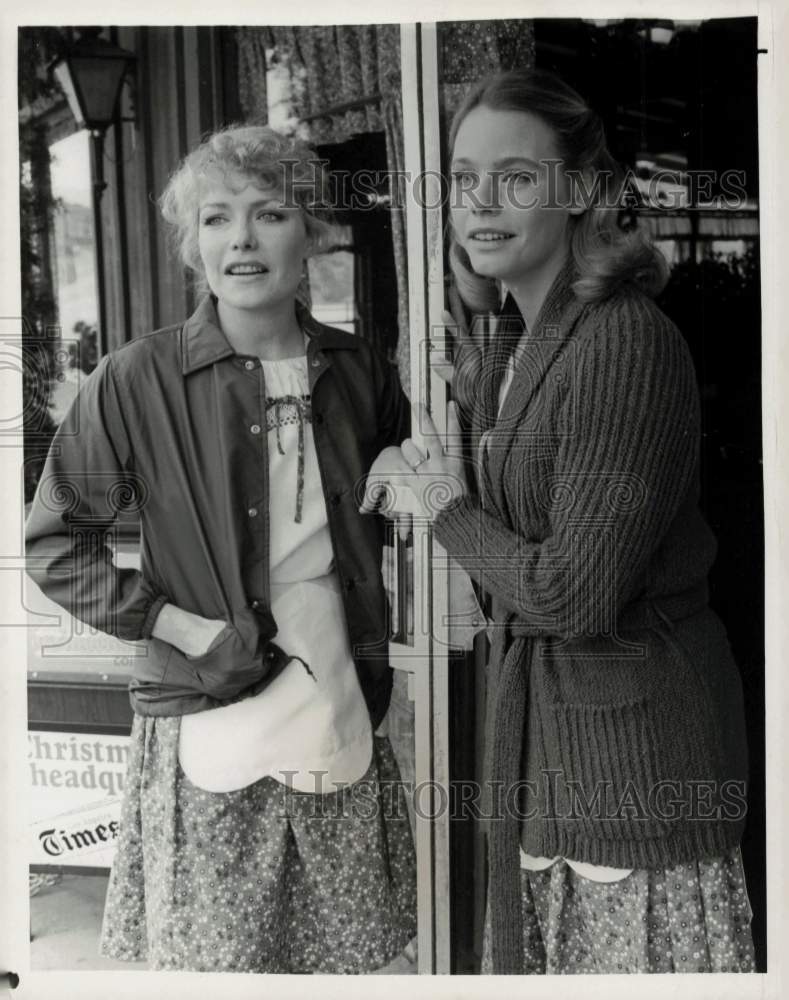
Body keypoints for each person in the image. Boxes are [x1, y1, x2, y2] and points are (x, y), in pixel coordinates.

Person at [361, 69, 754, 975]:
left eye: (515, 177)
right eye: (463, 179)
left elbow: (573, 592)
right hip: (552, 741)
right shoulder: (531, 337)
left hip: (633, 757)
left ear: (579, 190)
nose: (480, 203)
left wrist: (444, 506)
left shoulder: (622, 337)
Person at [25, 125, 417, 974]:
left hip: (337, 692)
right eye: (215, 218)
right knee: (220, 968)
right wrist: (179, 626)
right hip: (211, 703)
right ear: (191, 243)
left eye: (269, 213)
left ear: (310, 233)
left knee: (338, 963)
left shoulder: (358, 371)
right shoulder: (135, 379)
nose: (240, 238)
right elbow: (57, 545)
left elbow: (388, 507)